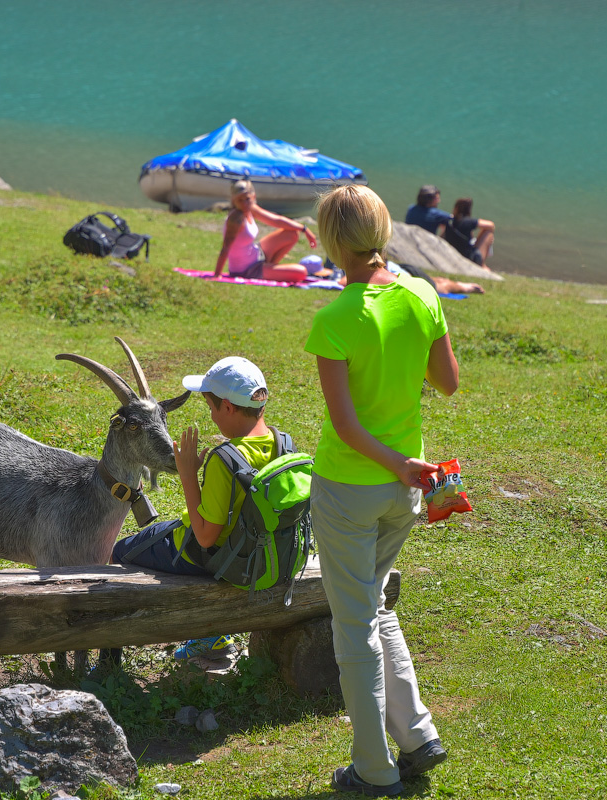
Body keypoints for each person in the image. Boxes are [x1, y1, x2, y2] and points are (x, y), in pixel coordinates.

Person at [305, 185, 459, 796]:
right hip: (409, 488)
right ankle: (418, 736)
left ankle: (373, 769)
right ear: (384, 229)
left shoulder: (334, 319)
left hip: (351, 486)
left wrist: (394, 463)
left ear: (331, 240)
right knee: (374, 606)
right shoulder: (423, 294)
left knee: (354, 627)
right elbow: (447, 382)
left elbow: (344, 426)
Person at [109, 356, 288, 661]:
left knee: (116, 554)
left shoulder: (226, 460)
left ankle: (111, 656)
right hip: (264, 550)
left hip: (213, 553)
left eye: (211, 408)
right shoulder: (282, 443)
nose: (212, 417)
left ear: (229, 408)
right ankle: (212, 636)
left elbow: (205, 537)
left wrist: (189, 474)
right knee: (158, 530)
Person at [215, 179, 318, 283]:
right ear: (233, 201)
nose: (244, 203)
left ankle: (271, 268)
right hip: (247, 270)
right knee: (302, 272)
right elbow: (226, 247)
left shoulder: (251, 208)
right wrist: (217, 275)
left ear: (253, 196)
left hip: (257, 253)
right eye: (240, 200)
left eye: (247, 199)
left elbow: (277, 221)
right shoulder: (236, 218)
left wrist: (304, 229)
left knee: (292, 234)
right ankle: (271, 270)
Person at [442, 197, 495, 269]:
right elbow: (491, 225)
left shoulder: (450, 222)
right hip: (468, 258)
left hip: (451, 255)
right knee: (488, 232)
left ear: (456, 208)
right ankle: (482, 265)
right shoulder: (469, 222)